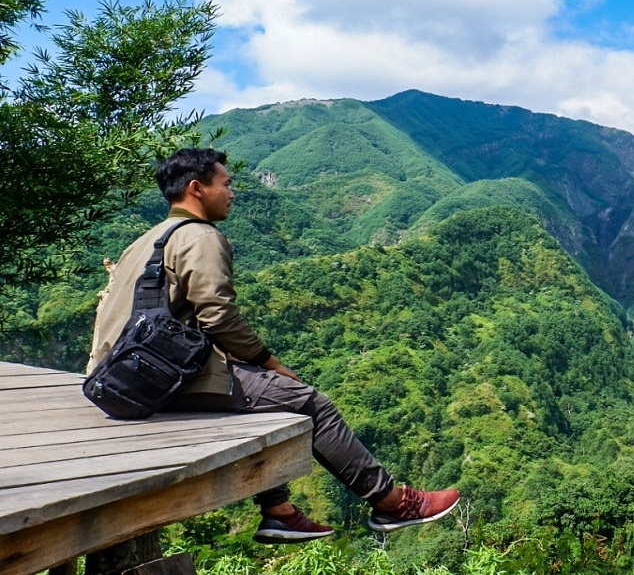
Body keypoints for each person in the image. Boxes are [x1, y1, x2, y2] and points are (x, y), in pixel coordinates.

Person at [89, 147, 459, 543]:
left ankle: (278, 510)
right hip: (161, 382)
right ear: (197, 189)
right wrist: (269, 360)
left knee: (260, 392)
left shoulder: (145, 241)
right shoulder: (200, 237)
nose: (232, 193)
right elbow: (218, 315)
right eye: (226, 184)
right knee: (307, 400)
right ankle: (392, 503)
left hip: (118, 377)